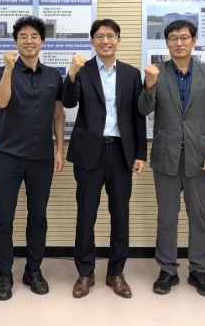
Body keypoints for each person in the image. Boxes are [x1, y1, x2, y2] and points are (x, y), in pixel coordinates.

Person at [138, 19, 205, 297]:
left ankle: (199, 270)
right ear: (166, 42)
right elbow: (143, 110)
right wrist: (149, 85)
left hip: (200, 158)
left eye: (184, 37)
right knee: (167, 216)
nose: (179, 42)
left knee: (198, 216)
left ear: (193, 40)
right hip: (166, 155)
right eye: (173, 38)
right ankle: (167, 270)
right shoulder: (156, 72)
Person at [63, 19, 146, 299]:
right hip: (89, 152)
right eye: (99, 36)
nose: (105, 41)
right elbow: (69, 102)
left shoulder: (131, 74)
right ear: (92, 42)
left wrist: (140, 153)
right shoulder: (82, 70)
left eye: (111, 36)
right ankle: (85, 273)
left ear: (118, 40)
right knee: (86, 214)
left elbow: (137, 116)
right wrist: (71, 74)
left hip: (121, 151)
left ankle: (116, 272)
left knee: (120, 214)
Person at [0, 16, 65, 301]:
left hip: (42, 157)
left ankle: (33, 269)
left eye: (34, 36)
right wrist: (9, 70)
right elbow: (1, 102)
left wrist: (60, 150)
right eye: (23, 36)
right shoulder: (3, 71)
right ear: (16, 42)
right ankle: (4, 272)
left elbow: (58, 115)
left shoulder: (53, 76)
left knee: (38, 217)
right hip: (7, 155)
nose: (29, 40)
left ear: (42, 42)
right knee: (3, 217)